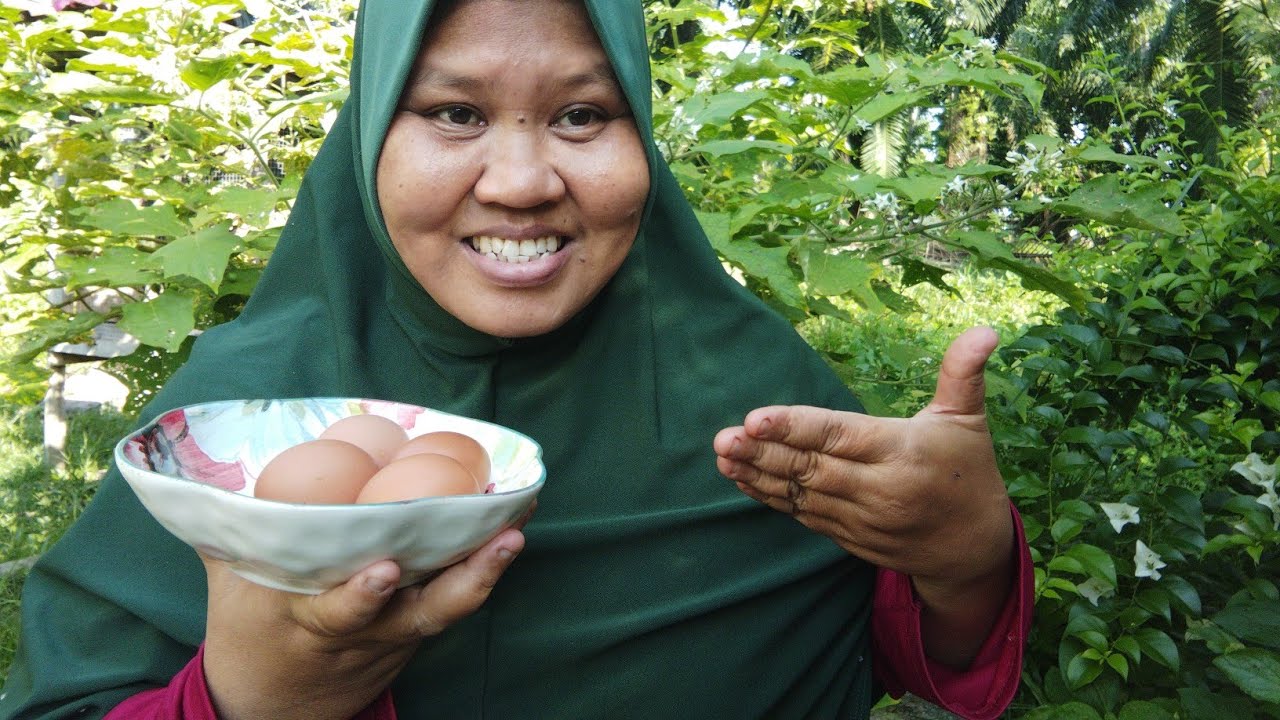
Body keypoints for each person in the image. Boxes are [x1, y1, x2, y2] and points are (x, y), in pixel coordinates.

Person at [0, 0, 1032, 718]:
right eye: (454, 113)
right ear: (368, 135)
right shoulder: (232, 424)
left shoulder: (749, 394)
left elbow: (887, 651)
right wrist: (254, 704)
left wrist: (963, 559)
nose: (524, 180)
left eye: (583, 115)